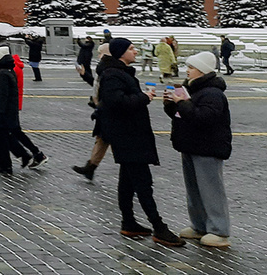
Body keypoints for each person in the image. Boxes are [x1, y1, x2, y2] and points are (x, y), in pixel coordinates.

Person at [96, 37, 184, 247]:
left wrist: (142, 96)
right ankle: (159, 227)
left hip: (130, 135)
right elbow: (116, 102)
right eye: (131, 48)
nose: (135, 51)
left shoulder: (120, 73)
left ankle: (129, 222)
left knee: (127, 182)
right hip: (128, 136)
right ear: (120, 53)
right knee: (143, 183)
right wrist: (144, 98)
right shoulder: (113, 75)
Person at [163, 51, 232, 247]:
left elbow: (203, 117)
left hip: (207, 147)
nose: (187, 71)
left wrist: (182, 103)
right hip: (191, 145)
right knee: (194, 190)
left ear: (202, 70)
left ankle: (219, 230)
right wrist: (171, 105)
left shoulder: (212, 93)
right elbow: (184, 115)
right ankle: (199, 225)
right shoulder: (192, 89)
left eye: (191, 67)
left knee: (211, 190)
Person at [73, 42, 112, 181]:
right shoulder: (103, 68)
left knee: (109, 141)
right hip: (102, 110)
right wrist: (84, 75)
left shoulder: (108, 69)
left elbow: (103, 89)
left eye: (100, 53)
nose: (98, 56)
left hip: (107, 111)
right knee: (101, 140)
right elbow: (97, 86)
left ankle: (131, 171)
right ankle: (90, 167)